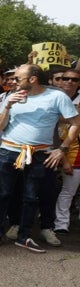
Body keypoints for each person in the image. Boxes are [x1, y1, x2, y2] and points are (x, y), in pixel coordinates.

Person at [0, 64, 79, 252]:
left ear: (32, 79)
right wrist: (9, 105)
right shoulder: (12, 96)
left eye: (18, 78)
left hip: (39, 154)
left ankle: (24, 236)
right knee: (4, 194)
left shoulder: (56, 96)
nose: (13, 81)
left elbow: (76, 123)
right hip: (9, 151)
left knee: (30, 196)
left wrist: (62, 149)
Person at [51, 69, 80, 235]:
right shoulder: (51, 98)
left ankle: (61, 223)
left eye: (74, 80)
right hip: (53, 149)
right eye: (65, 78)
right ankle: (54, 221)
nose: (69, 82)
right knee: (50, 189)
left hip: (74, 151)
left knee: (68, 191)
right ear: (58, 81)